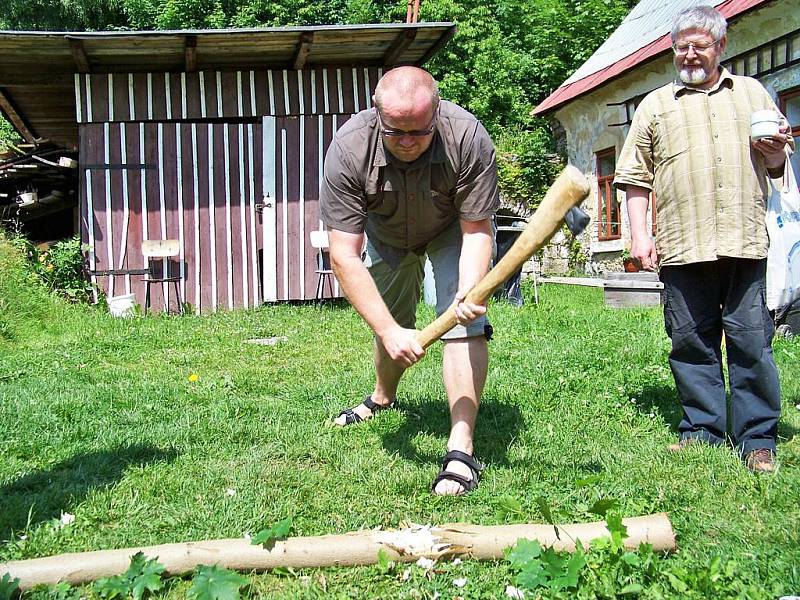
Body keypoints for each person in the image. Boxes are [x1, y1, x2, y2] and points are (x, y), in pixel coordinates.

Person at [614, 5, 793, 472]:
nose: (689, 54)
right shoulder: (656, 105)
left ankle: (757, 439)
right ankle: (703, 430)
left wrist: (774, 154)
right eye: (681, 47)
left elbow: (777, 166)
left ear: (721, 47)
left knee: (751, 341)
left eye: (700, 45)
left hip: (743, 239)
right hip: (682, 242)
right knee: (690, 342)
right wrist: (639, 235)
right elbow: (635, 177)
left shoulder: (753, 93)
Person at [319, 66, 499, 495]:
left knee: (463, 323)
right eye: (395, 131)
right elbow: (343, 253)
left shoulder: (467, 137)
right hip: (385, 236)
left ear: (436, 113)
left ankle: (461, 447)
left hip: (451, 230)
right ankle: (383, 397)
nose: (406, 142)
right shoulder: (349, 147)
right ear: (377, 116)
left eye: (418, 132)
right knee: (391, 323)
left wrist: (469, 290)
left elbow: (477, 229)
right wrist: (387, 329)